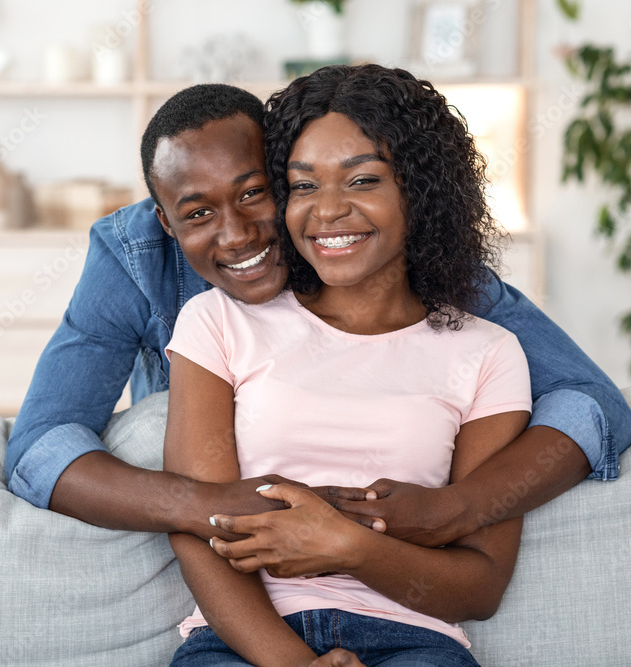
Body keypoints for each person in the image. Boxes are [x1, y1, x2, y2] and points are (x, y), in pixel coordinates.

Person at [4, 83, 631, 558]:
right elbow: (42, 444)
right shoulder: (135, 254)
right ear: (168, 220)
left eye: (257, 193)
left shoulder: (393, 253)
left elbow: (590, 403)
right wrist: (206, 504)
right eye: (198, 212)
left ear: (289, 172)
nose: (238, 234)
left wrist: (461, 508)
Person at [162, 64, 529, 667]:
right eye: (303, 186)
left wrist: (348, 546)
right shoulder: (218, 322)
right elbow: (200, 528)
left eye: (361, 180)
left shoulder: (488, 353)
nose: (326, 211)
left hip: (414, 643)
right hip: (242, 646)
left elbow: (480, 586)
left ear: (420, 189)